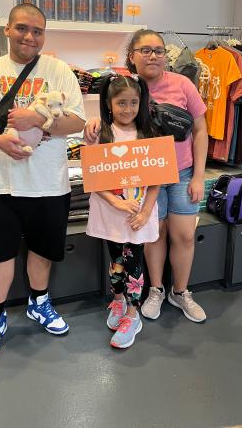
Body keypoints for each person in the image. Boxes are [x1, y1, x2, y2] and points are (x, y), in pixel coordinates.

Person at [0, 4, 85, 364]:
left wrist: (38, 119)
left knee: (43, 251)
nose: (30, 36)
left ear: (45, 35)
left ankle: (39, 303)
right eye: (23, 28)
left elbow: (76, 120)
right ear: (7, 30)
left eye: (38, 31)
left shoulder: (59, 70)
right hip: (0, 184)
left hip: (48, 183)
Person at [84, 29, 208, 324]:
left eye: (160, 50)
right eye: (146, 50)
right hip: (138, 181)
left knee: (184, 234)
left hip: (180, 172)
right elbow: (107, 120)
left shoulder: (182, 84)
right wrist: (93, 121)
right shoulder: (124, 86)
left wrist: (199, 176)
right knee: (153, 235)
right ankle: (155, 290)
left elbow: (201, 129)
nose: (154, 55)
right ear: (132, 56)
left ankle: (181, 292)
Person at [85, 73, 160, 348]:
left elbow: (156, 181)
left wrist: (144, 212)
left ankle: (133, 313)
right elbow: (93, 177)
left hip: (137, 216)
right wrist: (116, 202)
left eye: (133, 103)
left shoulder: (147, 135)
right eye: (121, 103)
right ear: (108, 103)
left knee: (134, 264)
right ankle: (118, 301)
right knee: (116, 261)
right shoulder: (100, 134)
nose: (127, 109)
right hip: (111, 213)